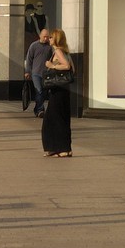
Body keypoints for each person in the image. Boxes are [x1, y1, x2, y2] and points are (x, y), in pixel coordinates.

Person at [41, 28, 74, 157]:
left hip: (58, 91)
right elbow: (73, 69)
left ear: (56, 39)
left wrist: (52, 66)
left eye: (51, 37)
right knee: (61, 118)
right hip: (64, 90)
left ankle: (60, 148)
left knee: (53, 119)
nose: (48, 39)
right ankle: (61, 148)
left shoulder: (58, 51)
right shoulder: (65, 52)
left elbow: (67, 66)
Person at [25, 27, 53, 116]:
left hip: (46, 73)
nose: (46, 39)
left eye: (47, 37)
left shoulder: (50, 47)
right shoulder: (34, 45)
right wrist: (27, 71)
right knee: (39, 90)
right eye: (44, 36)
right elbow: (29, 59)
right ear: (40, 36)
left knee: (44, 92)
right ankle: (40, 110)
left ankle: (37, 108)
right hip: (36, 73)